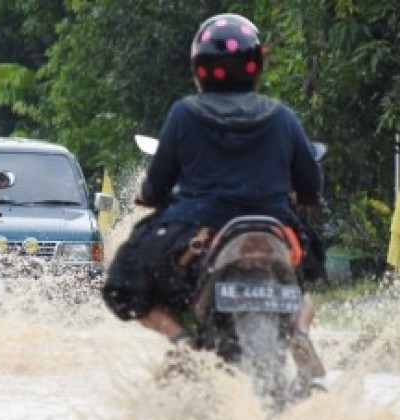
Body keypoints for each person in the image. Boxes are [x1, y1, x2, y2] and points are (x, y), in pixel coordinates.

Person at [101, 13, 324, 375]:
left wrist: (148, 196)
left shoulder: (184, 113)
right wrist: (301, 198)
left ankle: (181, 341)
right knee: (307, 276)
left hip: (197, 230)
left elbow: (156, 188)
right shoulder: (283, 117)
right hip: (276, 229)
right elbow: (311, 187)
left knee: (122, 285)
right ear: (257, 64)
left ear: (199, 67)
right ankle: (300, 330)